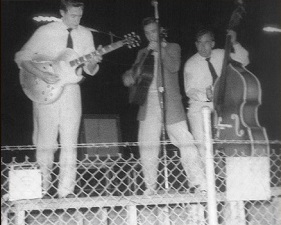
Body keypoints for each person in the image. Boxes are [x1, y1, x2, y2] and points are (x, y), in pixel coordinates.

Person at [14, 0, 102, 198]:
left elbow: (89, 69)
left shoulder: (86, 34)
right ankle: (42, 189)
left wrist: (94, 63)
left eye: (80, 15)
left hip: (71, 90)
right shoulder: (46, 31)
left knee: (70, 142)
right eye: (73, 15)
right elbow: (21, 57)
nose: (77, 20)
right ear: (62, 12)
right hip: (46, 91)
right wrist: (42, 74)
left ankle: (66, 191)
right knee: (46, 142)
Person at [122, 17, 206, 195]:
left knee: (185, 141)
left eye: (153, 31)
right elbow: (134, 75)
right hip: (148, 104)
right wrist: (129, 76)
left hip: (170, 103)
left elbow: (173, 66)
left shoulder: (173, 47)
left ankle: (198, 183)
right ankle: (150, 187)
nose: (150, 35)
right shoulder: (142, 52)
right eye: (147, 32)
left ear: (160, 30)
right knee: (147, 145)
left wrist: (160, 50)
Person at [184, 28, 249, 160]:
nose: (202, 46)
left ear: (212, 44)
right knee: (202, 142)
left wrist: (235, 42)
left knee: (232, 132)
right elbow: (190, 90)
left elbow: (244, 60)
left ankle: (230, 163)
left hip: (223, 104)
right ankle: (206, 173)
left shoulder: (221, 54)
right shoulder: (190, 64)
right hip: (200, 105)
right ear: (196, 44)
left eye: (206, 42)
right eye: (199, 43)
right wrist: (205, 96)